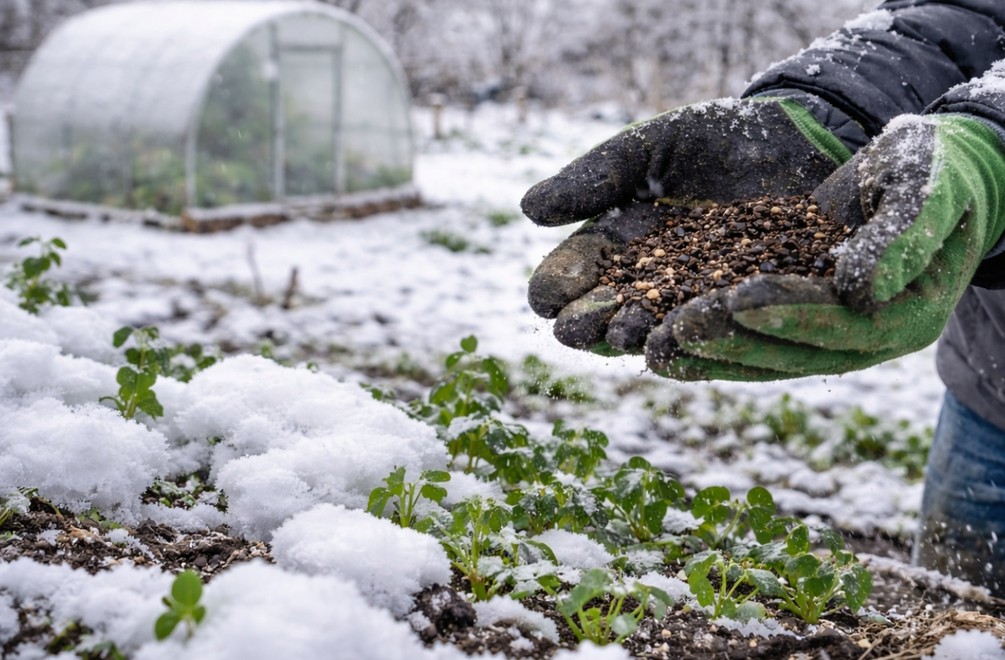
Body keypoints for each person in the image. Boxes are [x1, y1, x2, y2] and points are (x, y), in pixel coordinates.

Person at [521, 0, 1005, 596]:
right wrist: (826, 112)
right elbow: (957, 19)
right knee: (956, 614)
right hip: (990, 396)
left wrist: (992, 152)